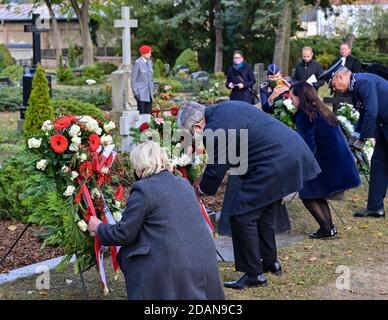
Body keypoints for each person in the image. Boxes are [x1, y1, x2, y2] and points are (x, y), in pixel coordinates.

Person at [177, 101, 321, 289]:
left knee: (240, 214)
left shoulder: (214, 128)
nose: (195, 138)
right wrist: (205, 177)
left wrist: (199, 191)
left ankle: (254, 274)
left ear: (197, 126)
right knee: (262, 211)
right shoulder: (223, 110)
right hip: (287, 151)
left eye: (192, 134)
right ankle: (270, 262)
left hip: (275, 160)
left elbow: (216, 169)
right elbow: (225, 158)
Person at [87, 141, 225, 300]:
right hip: (202, 258)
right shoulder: (183, 183)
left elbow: (123, 234)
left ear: (139, 167)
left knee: (130, 256)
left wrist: (98, 227)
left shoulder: (143, 190)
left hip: (172, 265)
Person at [290, 81, 361, 239]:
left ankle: (326, 227)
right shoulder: (320, 110)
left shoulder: (305, 115)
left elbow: (307, 147)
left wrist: (296, 162)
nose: (290, 99)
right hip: (338, 161)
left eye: (292, 96)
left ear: (300, 97)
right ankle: (328, 228)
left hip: (328, 163)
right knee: (315, 193)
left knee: (306, 193)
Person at [319, 59, 388, 218]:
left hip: (384, 123)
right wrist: (356, 134)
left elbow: (372, 112)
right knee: (378, 164)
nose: (334, 89)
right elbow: (364, 112)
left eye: (333, 85)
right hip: (385, 124)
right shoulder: (356, 85)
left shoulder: (362, 82)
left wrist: (363, 139)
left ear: (341, 77)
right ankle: (375, 207)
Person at [331, 43, 362, 112]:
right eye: (341, 49)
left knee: (348, 110)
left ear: (349, 50)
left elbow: (357, 75)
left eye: (345, 49)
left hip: (349, 91)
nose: (343, 51)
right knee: (336, 109)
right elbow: (331, 75)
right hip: (338, 91)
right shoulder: (335, 61)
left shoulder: (355, 61)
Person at [131, 45, 154, 115]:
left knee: (148, 114)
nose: (150, 54)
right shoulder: (137, 63)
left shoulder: (150, 62)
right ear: (143, 53)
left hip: (149, 93)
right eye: (149, 53)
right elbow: (133, 79)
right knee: (142, 114)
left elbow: (151, 78)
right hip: (141, 93)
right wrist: (135, 92)